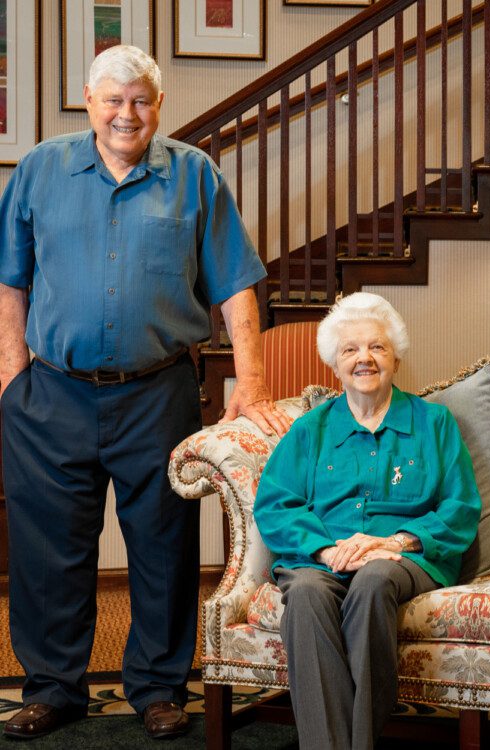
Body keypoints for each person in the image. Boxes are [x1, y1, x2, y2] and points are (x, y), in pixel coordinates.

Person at [0, 45, 291, 740]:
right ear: (88, 100)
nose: (127, 113)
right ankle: (54, 688)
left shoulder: (194, 174)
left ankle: (159, 688)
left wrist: (250, 384)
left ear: (158, 107)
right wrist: (11, 375)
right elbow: (9, 277)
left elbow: (235, 286)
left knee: (162, 547)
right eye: (113, 99)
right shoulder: (40, 169)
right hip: (51, 395)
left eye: (141, 100)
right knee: (48, 553)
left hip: (156, 392)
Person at [253, 292, 482, 749]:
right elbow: (275, 505)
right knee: (304, 595)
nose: (365, 359)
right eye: (350, 350)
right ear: (334, 365)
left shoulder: (434, 423)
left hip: (402, 558)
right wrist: (325, 549)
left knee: (374, 580)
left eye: (377, 347)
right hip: (323, 556)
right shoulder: (310, 430)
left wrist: (395, 543)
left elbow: (461, 508)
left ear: (396, 357)